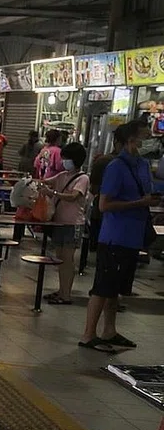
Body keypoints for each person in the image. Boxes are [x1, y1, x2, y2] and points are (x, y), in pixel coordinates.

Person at [79, 121, 159, 353]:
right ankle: (88, 334)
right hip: (115, 237)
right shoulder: (116, 167)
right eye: (145, 136)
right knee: (103, 287)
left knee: (116, 289)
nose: (150, 141)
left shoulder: (143, 165)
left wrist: (150, 202)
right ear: (131, 140)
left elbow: (145, 193)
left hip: (134, 237)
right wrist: (139, 203)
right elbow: (104, 205)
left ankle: (109, 330)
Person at [39, 143, 89, 305]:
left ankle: (66, 295)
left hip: (73, 224)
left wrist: (52, 192)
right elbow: (45, 181)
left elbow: (74, 196)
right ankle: (61, 290)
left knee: (67, 259)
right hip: (59, 223)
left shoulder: (82, 178)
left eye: (67, 158)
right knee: (60, 257)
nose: (64, 161)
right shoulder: (62, 176)